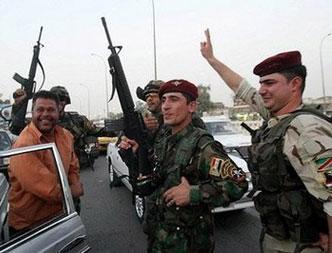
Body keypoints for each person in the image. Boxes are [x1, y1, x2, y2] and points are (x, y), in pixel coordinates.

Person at [201, 29, 332, 253]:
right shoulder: (276, 116)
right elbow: (241, 87)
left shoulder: (307, 129)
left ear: (295, 84)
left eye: (270, 83)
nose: (261, 90)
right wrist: (212, 59)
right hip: (278, 237)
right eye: (261, 83)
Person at [120, 79, 248, 252]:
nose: (165, 106)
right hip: (159, 238)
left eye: (174, 99)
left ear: (191, 106)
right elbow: (154, 174)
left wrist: (193, 193)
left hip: (189, 245)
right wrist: (135, 153)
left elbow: (238, 182)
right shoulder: (163, 140)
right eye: (164, 100)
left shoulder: (202, 144)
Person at [8, 90, 83, 233]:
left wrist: (74, 183)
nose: (45, 114)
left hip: (63, 215)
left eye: (50, 110)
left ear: (58, 111)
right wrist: (74, 190)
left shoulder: (65, 136)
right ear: (32, 112)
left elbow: (73, 167)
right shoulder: (24, 144)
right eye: (40, 110)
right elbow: (49, 190)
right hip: (31, 227)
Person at [50, 86, 97, 169]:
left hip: (74, 166)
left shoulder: (78, 120)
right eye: (55, 99)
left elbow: (95, 132)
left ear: (66, 102)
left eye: (61, 99)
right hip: (49, 167)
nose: (59, 103)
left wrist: (92, 145)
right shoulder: (42, 121)